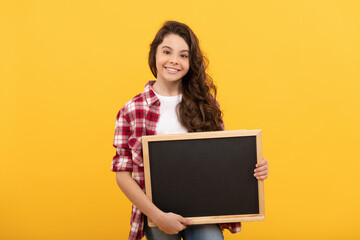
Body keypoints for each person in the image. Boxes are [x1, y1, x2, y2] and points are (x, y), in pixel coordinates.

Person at [111, 20, 269, 240]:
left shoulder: (205, 103)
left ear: (190, 62)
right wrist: (158, 215)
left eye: (183, 55)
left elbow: (223, 156)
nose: (174, 60)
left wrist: (254, 167)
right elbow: (122, 175)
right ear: (154, 54)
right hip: (157, 213)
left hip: (202, 212)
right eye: (167, 52)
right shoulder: (131, 110)